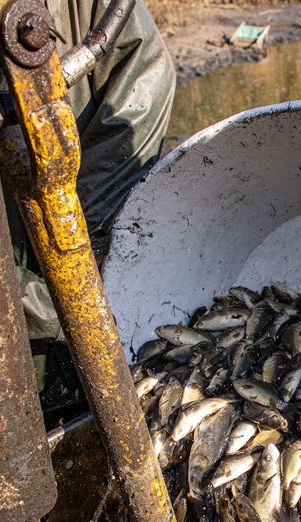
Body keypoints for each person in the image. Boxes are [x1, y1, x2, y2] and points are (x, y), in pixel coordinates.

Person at [21, 0, 177, 420]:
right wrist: (32, 300)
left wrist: (76, 233)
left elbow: (143, 77)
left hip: (85, 222)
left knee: (105, 408)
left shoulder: (90, 8)